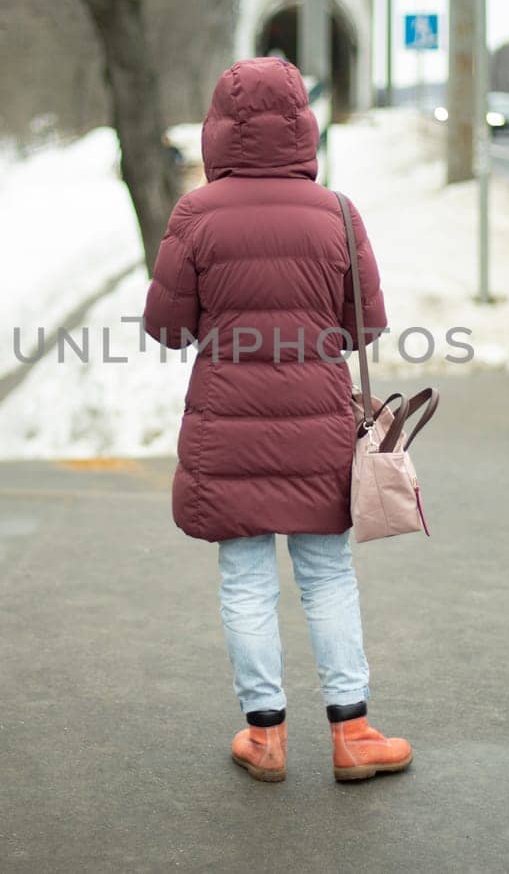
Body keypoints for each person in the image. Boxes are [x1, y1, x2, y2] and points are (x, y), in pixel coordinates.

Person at [142, 57, 411, 784]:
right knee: (327, 574)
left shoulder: (195, 213)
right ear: (302, 125)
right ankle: (353, 733)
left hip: (225, 423)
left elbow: (166, 328)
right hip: (318, 425)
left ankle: (265, 736)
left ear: (219, 128)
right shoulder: (337, 212)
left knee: (245, 579)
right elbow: (365, 327)